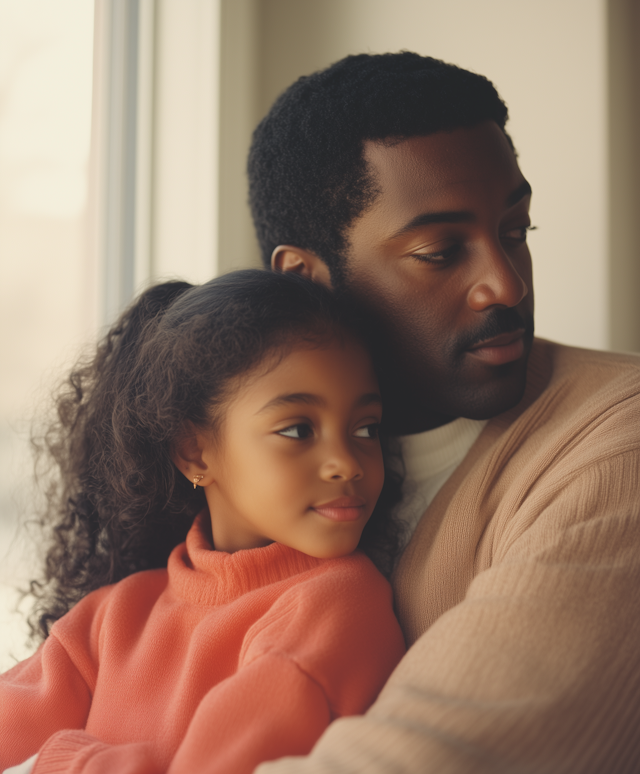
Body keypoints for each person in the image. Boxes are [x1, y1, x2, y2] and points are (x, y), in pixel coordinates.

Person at [247, 52, 640, 772]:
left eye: (516, 230)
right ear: (309, 280)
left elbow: (429, 760)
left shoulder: (620, 441)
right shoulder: (242, 451)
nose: (506, 285)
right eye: (440, 251)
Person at [0, 270, 406, 774]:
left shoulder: (337, 606)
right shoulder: (110, 618)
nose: (347, 461)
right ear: (195, 452)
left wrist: (62, 760)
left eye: (365, 427)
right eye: (299, 429)